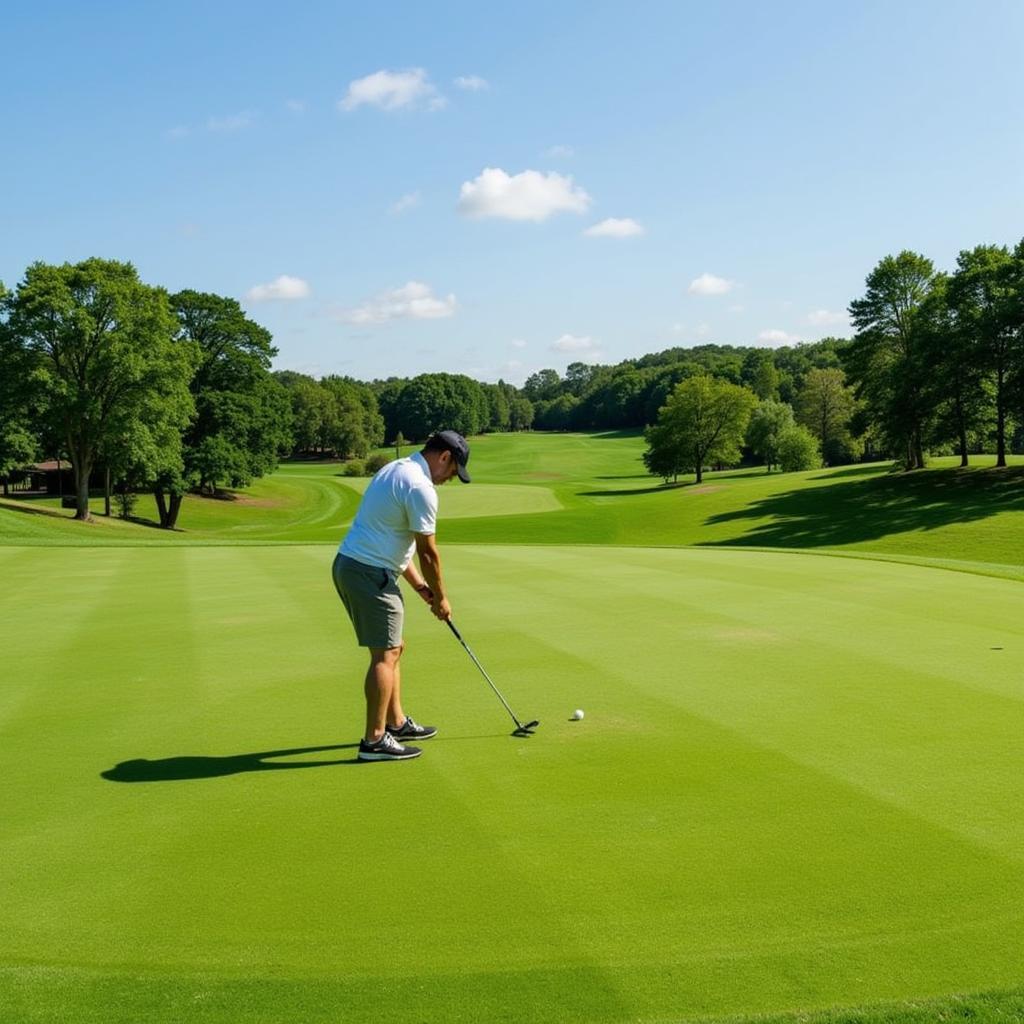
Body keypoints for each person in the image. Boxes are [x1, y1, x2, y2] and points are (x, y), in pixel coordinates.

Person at [332, 430, 471, 761]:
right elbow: (428, 552)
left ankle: (395, 722)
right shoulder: (421, 487)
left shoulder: (395, 469)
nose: (450, 480)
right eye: (453, 472)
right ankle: (375, 740)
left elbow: (398, 543)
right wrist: (441, 598)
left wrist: (422, 588)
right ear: (445, 457)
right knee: (386, 654)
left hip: (353, 565)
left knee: (394, 647)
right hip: (368, 571)